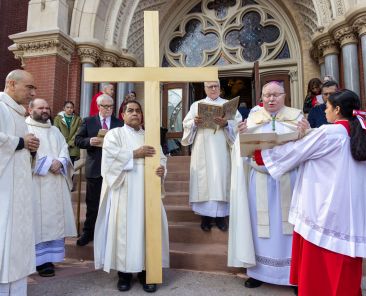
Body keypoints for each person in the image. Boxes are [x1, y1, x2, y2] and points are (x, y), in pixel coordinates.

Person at [255, 89, 366, 295]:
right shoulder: (358, 130)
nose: (325, 110)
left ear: (338, 109)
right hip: (351, 211)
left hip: (325, 209)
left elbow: (297, 151)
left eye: (328, 106)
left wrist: (260, 154)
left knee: (322, 269)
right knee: (345, 267)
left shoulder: (330, 133)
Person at [237, 81, 308, 291]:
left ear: (284, 96)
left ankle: (292, 275)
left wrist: (305, 133)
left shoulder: (297, 117)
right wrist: (240, 135)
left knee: (291, 227)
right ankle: (259, 272)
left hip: (289, 180)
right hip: (260, 179)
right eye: (267, 95)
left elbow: (308, 148)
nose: (271, 99)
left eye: (275, 95)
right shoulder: (252, 118)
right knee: (261, 227)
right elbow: (242, 151)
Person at [94, 100, 169, 293]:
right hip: (125, 191)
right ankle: (124, 275)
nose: (135, 113)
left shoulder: (150, 136)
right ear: (123, 115)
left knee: (148, 230)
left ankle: (147, 273)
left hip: (148, 193)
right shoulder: (114, 134)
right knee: (124, 232)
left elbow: (161, 158)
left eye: (138, 111)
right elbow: (109, 159)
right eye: (130, 110)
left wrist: (162, 170)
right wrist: (135, 153)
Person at [182, 81, 242, 232]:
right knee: (205, 181)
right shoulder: (196, 105)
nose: (213, 89)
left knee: (220, 179)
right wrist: (194, 122)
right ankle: (205, 217)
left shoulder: (228, 104)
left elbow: (238, 125)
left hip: (222, 147)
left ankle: (221, 217)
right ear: (205, 89)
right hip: (202, 148)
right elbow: (186, 124)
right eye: (210, 86)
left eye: (216, 86)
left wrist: (226, 124)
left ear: (220, 88)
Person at [26, 98, 77, 277]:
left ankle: (48, 259)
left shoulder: (55, 130)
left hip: (55, 182)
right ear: (30, 109)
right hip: (34, 184)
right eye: (41, 107)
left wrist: (61, 162)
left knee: (53, 220)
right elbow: (24, 154)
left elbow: (64, 149)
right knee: (36, 220)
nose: (45, 110)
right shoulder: (25, 128)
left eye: (47, 107)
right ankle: (35, 261)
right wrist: (48, 163)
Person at [0, 69, 39, 295]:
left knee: (17, 244)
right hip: (4, 194)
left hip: (19, 194)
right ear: (12, 84)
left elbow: (21, 147)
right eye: (29, 87)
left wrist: (30, 149)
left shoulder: (19, 114)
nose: (33, 93)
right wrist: (20, 143)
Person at [75, 94, 123, 246]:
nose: (109, 109)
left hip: (115, 169)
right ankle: (88, 232)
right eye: (105, 106)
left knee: (114, 203)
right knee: (93, 203)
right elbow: (77, 140)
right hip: (95, 167)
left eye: (111, 106)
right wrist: (90, 141)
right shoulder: (88, 121)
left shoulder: (119, 123)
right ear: (99, 106)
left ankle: (111, 234)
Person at [54, 101, 82, 165]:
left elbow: (78, 132)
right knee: (61, 167)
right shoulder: (58, 118)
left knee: (70, 167)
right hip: (61, 146)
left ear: (73, 109)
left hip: (73, 147)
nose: (69, 109)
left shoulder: (78, 119)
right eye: (67, 107)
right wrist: (63, 143)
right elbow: (56, 131)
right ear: (64, 108)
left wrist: (70, 143)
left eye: (71, 108)